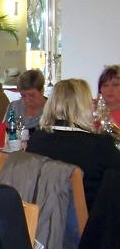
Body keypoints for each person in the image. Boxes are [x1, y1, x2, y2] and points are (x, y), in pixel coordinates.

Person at [26, 78, 120, 210]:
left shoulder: (36, 139)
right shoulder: (99, 145)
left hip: (43, 219)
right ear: (84, 106)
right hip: (87, 224)